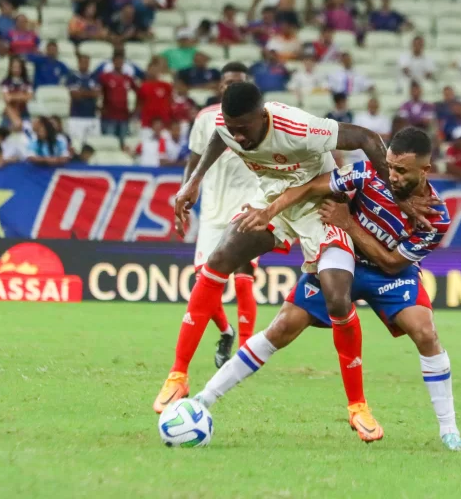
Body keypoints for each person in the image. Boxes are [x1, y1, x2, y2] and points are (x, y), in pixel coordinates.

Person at [153, 82, 426, 430]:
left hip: (322, 208)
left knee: (338, 299)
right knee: (221, 257)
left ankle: (357, 406)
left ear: (262, 116)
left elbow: (367, 139)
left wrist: (396, 197)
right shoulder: (228, 125)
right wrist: (193, 181)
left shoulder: (298, 127)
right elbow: (222, 135)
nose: (238, 136)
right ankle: (178, 373)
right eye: (231, 127)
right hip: (274, 204)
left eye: (244, 129)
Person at [195, 128, 461, 451]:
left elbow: (393, 263)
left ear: (425, 170)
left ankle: (449, 432)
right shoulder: (367, 174)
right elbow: (311, 186)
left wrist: (348, 223)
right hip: (343, 261)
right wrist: (269, 211)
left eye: (401, 170)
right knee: (281, 328)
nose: (391, 175)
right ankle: (202, 399)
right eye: (390, 166)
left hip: (389, 274)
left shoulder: (436, 216)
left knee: (426, 333)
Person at [178, 62, 259, 367]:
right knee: (204, 281)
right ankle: (227, 332)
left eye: (236, 82)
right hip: (212, 208)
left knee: (242, 276)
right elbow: (195, 158)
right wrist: (187, 189)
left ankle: (249, 349)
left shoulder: (258, 118)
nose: (229, 87)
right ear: (219, 86)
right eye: (226, 82)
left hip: (248, 205)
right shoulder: (205, 118)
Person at [98, 51, 137, 145]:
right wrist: (99, 108)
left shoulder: (128, 78)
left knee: (123, 143)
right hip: (109, 117)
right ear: (113, 62)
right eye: (117, 60)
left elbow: (138, 93)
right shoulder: (105, 77)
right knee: (109, 143)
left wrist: (134, 110)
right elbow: (98, 93)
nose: (119, 62)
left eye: (121, 60)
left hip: (124, 117)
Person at [66, 54, 101, 142]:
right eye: (82, 62)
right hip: (76, 116)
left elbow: (96, 94)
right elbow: (75, 95)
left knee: (91, 143)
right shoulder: (72, 77)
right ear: (78, 63)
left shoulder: (94, 77)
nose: (84, 64)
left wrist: (82, 92)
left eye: (86, 62)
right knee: (75, 142)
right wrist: (90, 93)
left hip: (91, 116)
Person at [137, 57, 174, 138]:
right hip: (147, 123)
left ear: (159, 71)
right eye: (151, 70)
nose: (153, 72)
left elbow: (171, 101)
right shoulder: (143, 86)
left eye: (156, 70)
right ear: (148, 70)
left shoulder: (166, 86)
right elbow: (139, 104)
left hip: (164, 122)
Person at [0, 56, 33, 126]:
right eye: (14, 67)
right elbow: (7, 98)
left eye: (18, 67)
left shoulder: (27, 82)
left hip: (23, 113)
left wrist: (13, 96)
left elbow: (29, 97)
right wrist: (21, 95)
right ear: (10, 68)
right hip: (9, 114)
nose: (16, 69)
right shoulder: (5, 82)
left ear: (22, 68)